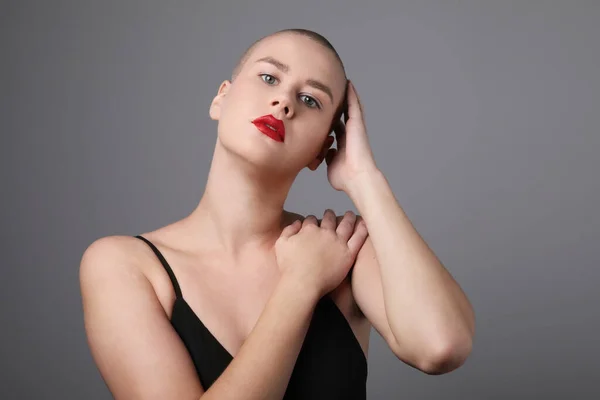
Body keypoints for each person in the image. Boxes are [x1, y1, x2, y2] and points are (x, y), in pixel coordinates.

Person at [79, 28, 475, 400]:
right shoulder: (124, 265)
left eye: (310, 100)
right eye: (269, 78)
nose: (284, 102)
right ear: (221, 98)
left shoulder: (343, 249)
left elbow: (442, 345)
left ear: (322, 149)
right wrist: (302, 281)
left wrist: (364, 178)